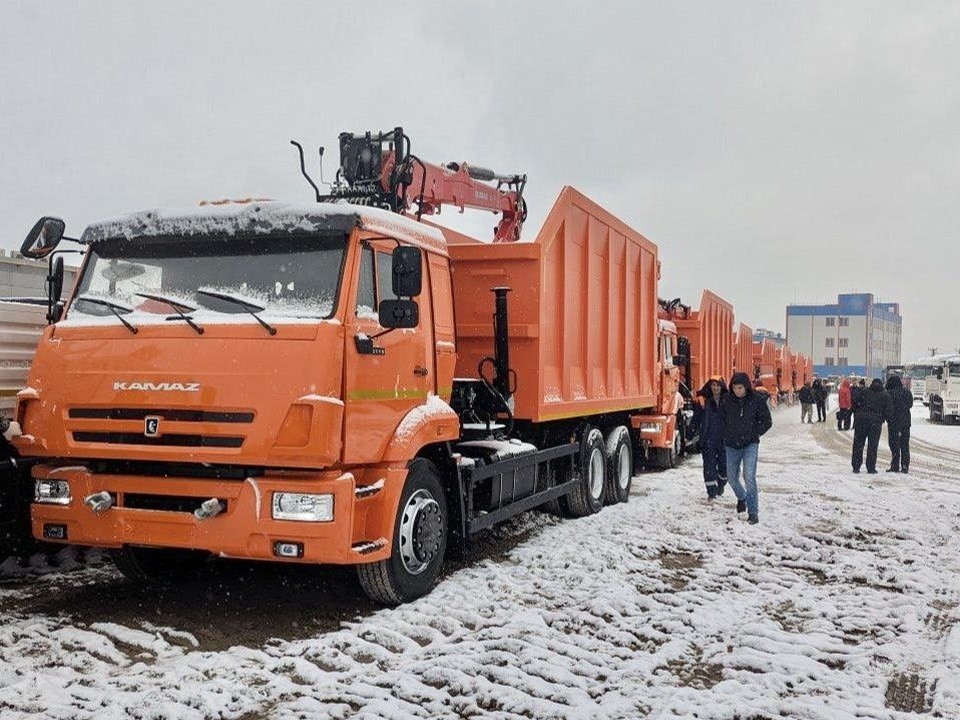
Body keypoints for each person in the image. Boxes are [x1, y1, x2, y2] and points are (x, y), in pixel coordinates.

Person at [719, 372, 773, 525]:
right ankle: (742, 497)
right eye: (735, 388)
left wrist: (754, 433)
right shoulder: (727, 400)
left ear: (746, 387)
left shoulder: (756, 400)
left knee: (749, 476)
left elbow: (767, 421)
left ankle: (753, 512)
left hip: (750, 444)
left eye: (740, 388)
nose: (737, 391)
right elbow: (721, 419)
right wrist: (726, 433)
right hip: (731, 445)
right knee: (731, 478)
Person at [698, 377, 728, 500]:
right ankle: (711, 492)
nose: (715, 388)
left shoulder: (728, 402)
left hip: (724, 441)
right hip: (708, 440)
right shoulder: (704, 402)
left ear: (722, 387)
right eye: (713, 385)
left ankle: (721, 485)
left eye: (718, 385)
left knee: (724, 469)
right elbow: (697, 418)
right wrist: (691, 433)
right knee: (709, 468)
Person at [851, 378, 890, 474]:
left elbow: (855, 402)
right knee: (873, 445)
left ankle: (856, 466)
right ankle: (871, 467)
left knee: (858, 444)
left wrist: (858, 413)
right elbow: (889, 410)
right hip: (875, 423)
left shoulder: (864, 391)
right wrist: (882, 417)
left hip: (861, 421)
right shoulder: (885, 395)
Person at [884, 375, 912, 473]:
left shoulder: (889, 394)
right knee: (905, 445)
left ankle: (895, 466)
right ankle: (905, 466)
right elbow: (910, 404)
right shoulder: (907, 392)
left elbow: (886, 408)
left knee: (894, 445)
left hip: (893, 423)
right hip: (905, 423)